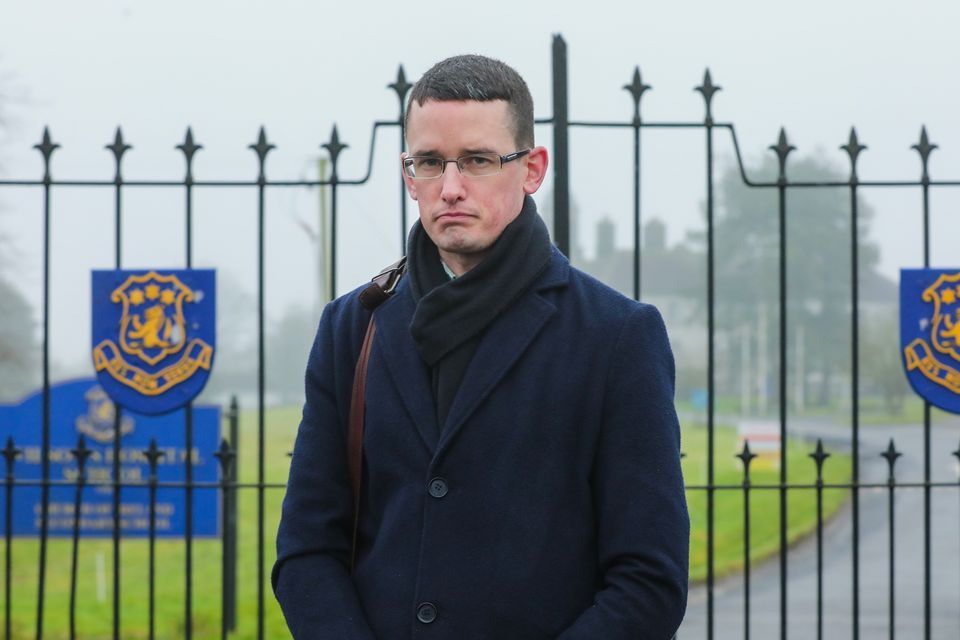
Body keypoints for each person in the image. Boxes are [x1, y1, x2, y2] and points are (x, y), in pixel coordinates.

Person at [273, 54, 689, 639]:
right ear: (407, 173)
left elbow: (649, 580)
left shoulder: (616, 335)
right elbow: (307, 550)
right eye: (429, 162)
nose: (450, 188)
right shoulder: (352, 326)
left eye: (477, 160)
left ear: (532, 168)